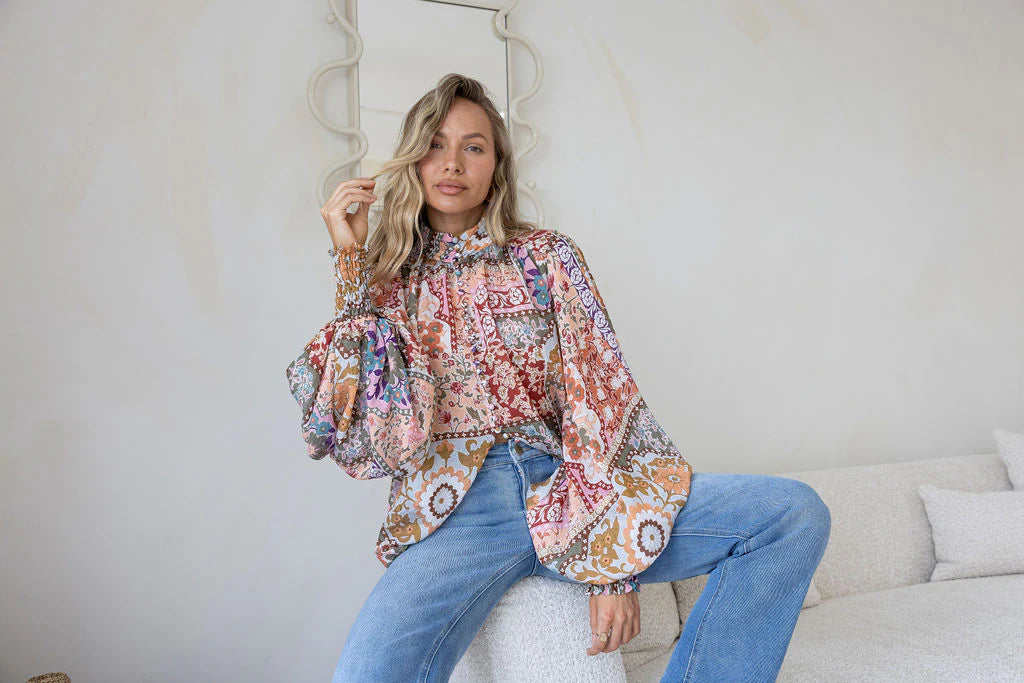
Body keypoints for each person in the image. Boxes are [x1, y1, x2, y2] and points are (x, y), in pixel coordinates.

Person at [285, 73, 832, 682]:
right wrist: (351, 264)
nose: (453, 163)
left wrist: (610, 563)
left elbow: (598, 400)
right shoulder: (389, 279)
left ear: (497, 165)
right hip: (459, 516)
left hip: (565, 486)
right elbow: (362, 431)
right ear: (413, 158)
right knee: (364, 674)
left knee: (790, 515)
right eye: (435, 144)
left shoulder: (548, 256)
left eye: (473, 146)